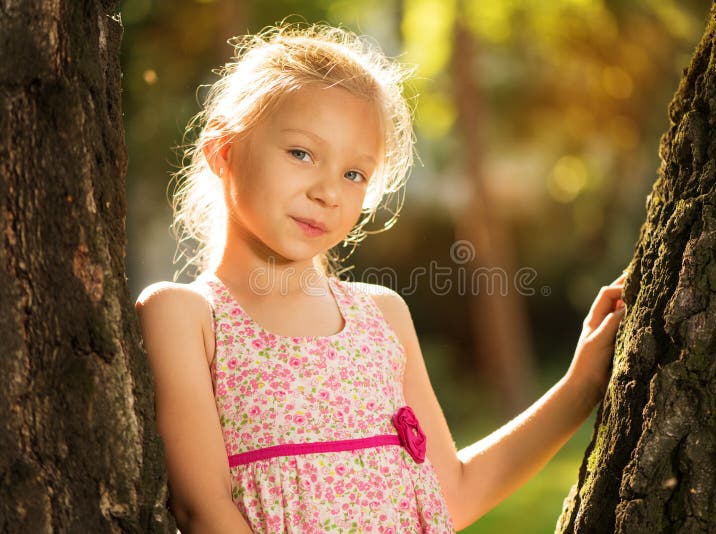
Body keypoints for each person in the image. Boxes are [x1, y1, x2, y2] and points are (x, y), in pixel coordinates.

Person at [135, 22, 628, 534]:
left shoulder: (381, 316)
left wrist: (581, 386)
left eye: (355, 174)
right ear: (223, 150)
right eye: (301, 153)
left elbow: (450, 496)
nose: (328, 192)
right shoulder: (187, 316)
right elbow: (204, 511)